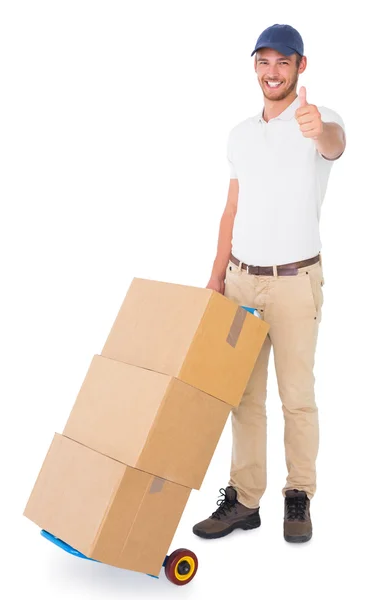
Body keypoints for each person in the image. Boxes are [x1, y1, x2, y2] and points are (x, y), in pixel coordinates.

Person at [192, 23, 346, 543]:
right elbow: (231, 208)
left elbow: (336, 145)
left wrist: (318, 127)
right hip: (241, 283)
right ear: (254, 66)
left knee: (297, 396)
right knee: (242, 396)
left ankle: (298, 494)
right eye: (264, 62)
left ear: (301, 67)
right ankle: (245, 499)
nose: (273, 72)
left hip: (294, 284)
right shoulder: (239, 134)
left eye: (284, 62)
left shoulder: (317, 122)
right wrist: (216, 277)